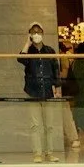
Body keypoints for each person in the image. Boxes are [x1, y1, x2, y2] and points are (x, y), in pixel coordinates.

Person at [20, 23, 62, 159]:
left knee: (49, 125)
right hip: (33, 91)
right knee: (35, 125)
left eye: (38, 32)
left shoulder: (49, 51)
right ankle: (37, 153)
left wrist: (57, 88)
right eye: (33, 32)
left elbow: (56, 70)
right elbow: (20, 59)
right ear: (30, 34)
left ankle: (49, 153)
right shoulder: (28, 51)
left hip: (48, 91)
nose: (36, 34)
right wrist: (27, 43)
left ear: (43, 33)